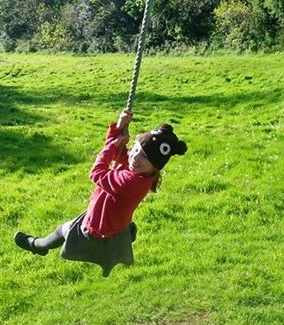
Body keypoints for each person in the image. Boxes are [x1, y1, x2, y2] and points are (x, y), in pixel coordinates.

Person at [13, 109, 187, 277]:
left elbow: (97, 173)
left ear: (155, 166)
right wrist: (118, 127)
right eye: (135, 149)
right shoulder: (142, 173)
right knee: (71, 229)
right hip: (109, 220)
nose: (135, 157)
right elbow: (118, 152)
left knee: (61, 231)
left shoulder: (131, 181)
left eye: (145, 157)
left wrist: (112, 146)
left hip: (96, 226)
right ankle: (127, 232)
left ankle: (38, 245)